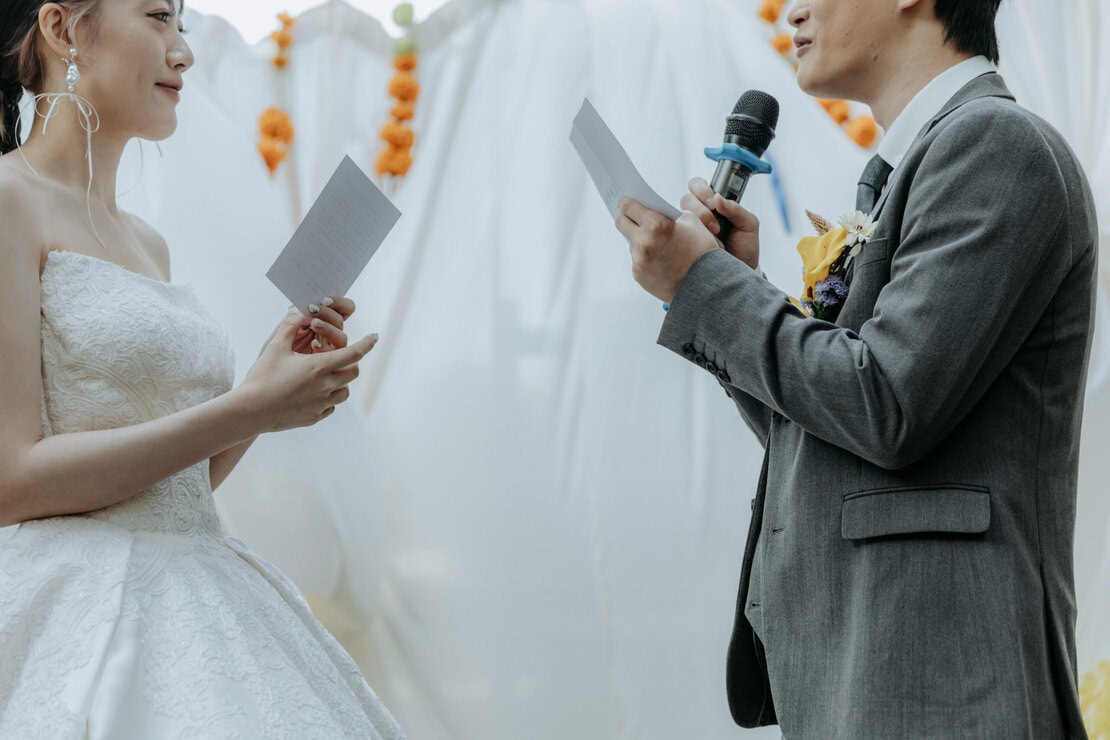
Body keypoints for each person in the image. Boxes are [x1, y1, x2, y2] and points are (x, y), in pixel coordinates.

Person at [615, 0, 1097, 737]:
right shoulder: (925, 161)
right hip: (868, 676)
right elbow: (830, 437)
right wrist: (732, 288)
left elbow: (884, 405)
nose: (794, 10)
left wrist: (705, 288)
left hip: (945, 688)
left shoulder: (996, 144)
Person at [0, 1, 403, 737]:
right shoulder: (7, 202)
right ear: (61, 30)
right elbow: (12, 480)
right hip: (84, 613)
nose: (183, 52)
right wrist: (250, 409)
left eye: (183, 26)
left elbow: (173, 485)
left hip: (203, 588)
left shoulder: (147, 243)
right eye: (159, 17)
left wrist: (261, 392)